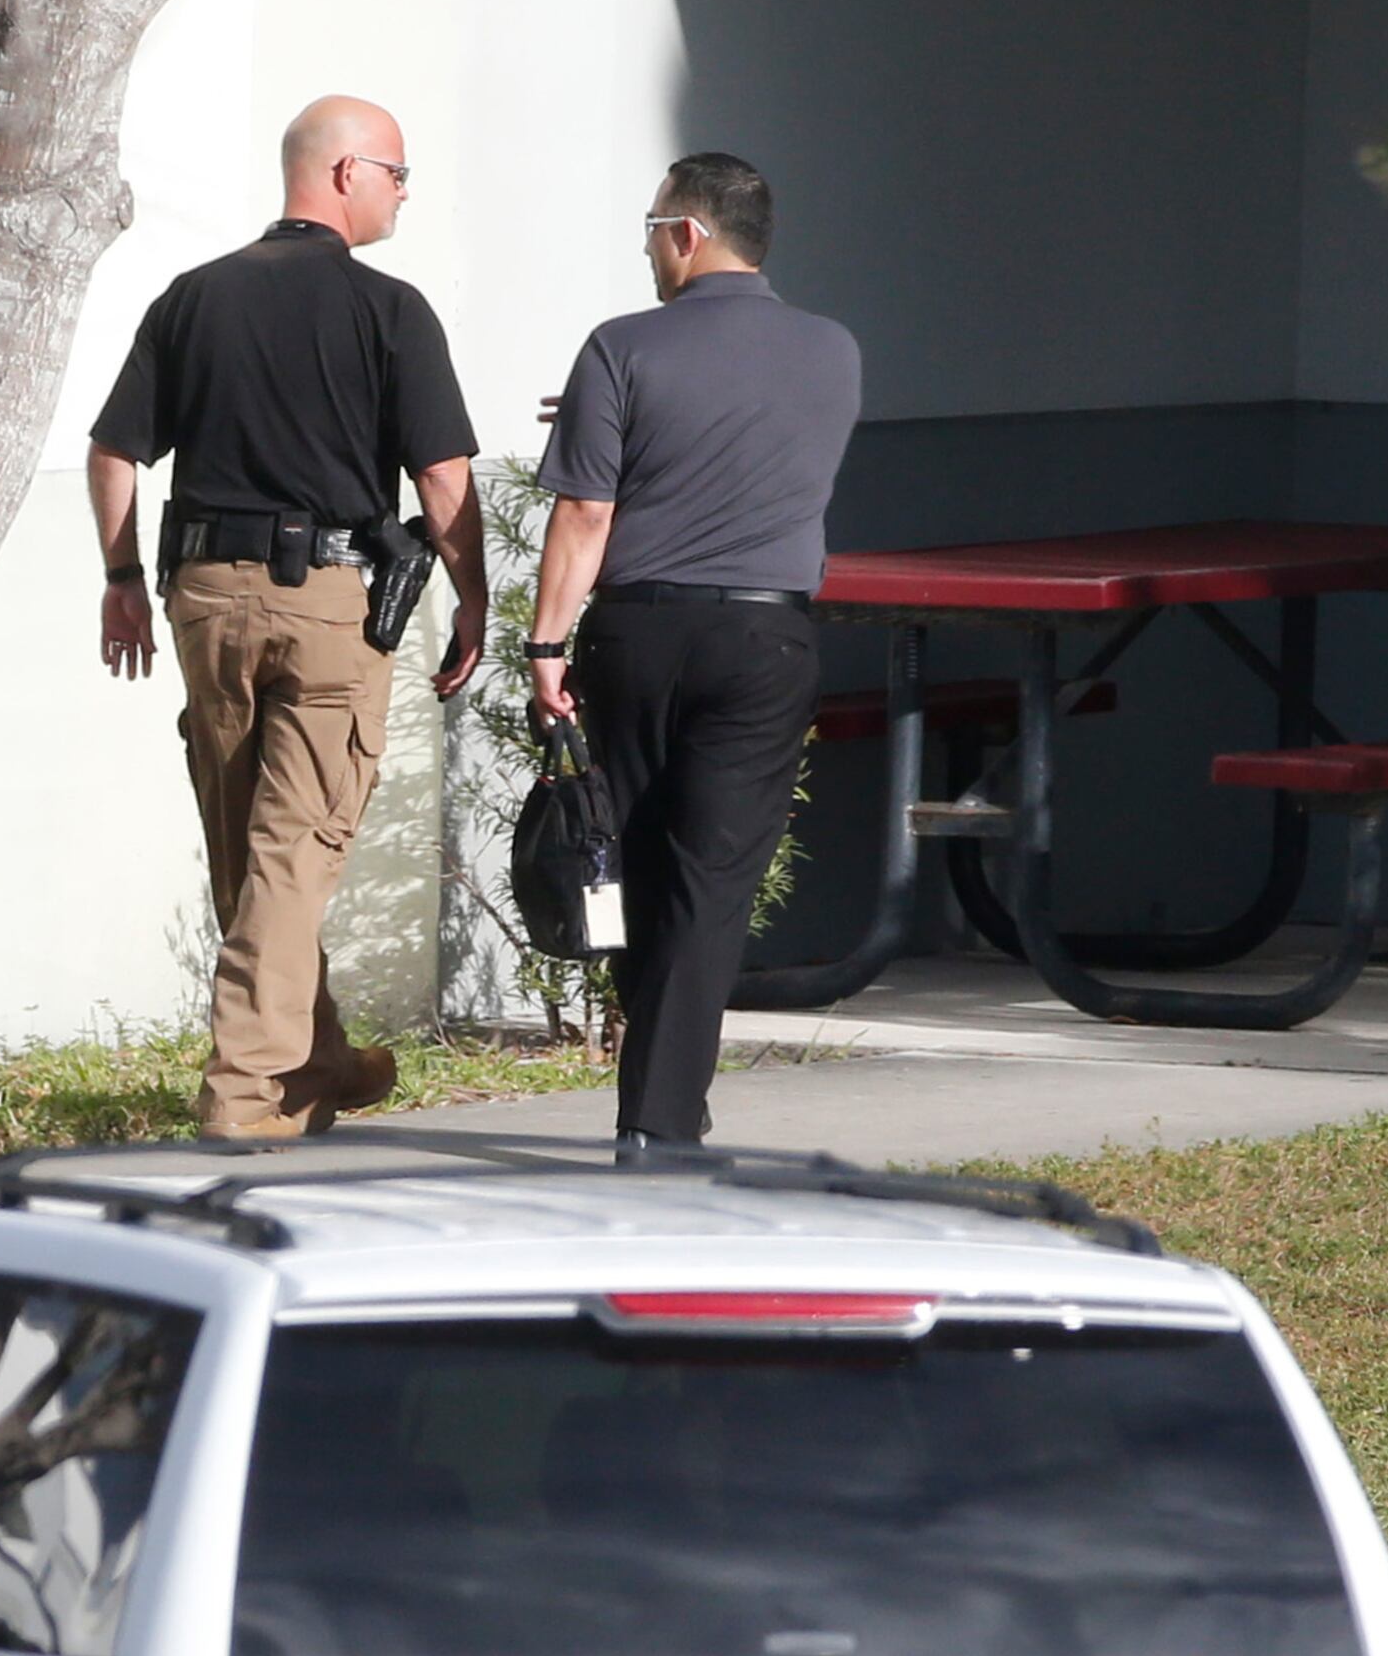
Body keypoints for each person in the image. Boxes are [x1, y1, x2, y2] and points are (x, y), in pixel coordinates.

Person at [87, 95, 487, 1142]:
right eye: (397, 173)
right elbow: (442, 478)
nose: (404, 194)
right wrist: (475, 597)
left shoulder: (194, 297)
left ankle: (319, 1062)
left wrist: (121, 576)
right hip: (328, 607)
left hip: (204, 599)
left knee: (248, 848)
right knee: (293, 850)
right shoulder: (390, 309)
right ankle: (243, 1093)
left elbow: (115, 451)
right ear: (347, 172)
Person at [527, 153, 860, 1156]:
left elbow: (587, 511)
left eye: (650, 228)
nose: (645, 249)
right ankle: (662, 1117)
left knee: (627, 862)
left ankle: (660, 1110)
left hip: (635, 634)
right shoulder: (834, 349)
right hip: (765, 636)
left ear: (686, 233)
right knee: (709, 881)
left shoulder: (621, 347)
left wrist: (546, 642)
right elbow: (757, 440)